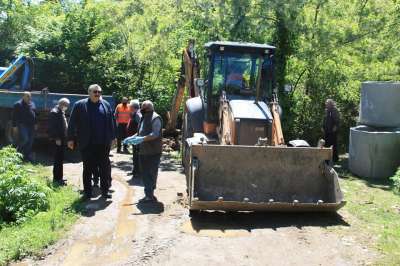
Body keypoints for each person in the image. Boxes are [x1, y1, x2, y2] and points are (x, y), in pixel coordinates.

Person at [67, 84, 116, 199]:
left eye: (99, 92)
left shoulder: (106, 104)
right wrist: (70, 138)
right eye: (95, 92)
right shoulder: (80, 105)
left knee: (104, 168)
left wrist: (113, 137)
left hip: (103, 143)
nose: (98, 94)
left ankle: (105, 191)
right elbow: (72, 122)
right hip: (87, 143)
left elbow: (111, 122)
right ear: (89, 92)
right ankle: (88, 193)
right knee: (88, 168)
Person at [124, 100, 162, 202]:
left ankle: (149, 194)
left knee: (151, 172)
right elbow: (139, 132)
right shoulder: (144, 117)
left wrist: (142, 139)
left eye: (144, 108)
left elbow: (155, 134)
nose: (142, 110)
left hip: (153, 151)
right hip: (143, 150)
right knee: (144, 172)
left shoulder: (155, 118)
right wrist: (131, 138)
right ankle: (149, 194)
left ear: (149, 108)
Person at [48, 98, 70, 185]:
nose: (67, 107)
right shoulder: (55, 112)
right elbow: (53, 127)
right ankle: (57, 179)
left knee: (60, 159)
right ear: (62, 104)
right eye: (66, 106)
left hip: (62, 138)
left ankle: (59, 177)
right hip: (58, 139)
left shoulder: (60, 111)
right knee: (58, 160)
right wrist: (57, 138)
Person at [12, 91, 36, 161]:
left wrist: (35, 123)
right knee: (25, 139)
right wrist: (14, 126)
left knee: (30, 141)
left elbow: (35, 114)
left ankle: (26, 156)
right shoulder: (18, 104)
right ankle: (17, 152)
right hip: (22, 124)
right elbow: (14, 116)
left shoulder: (32, 103)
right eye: (27, 96)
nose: (29, 98)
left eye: (29, 96)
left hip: (31, 125)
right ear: (23, 96)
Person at [126, 99, 142, 177]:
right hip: (133, 139)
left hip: (137, 139)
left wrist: (136, 137)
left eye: (130, 106)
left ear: (132, 107)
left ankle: (138, 172)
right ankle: (134, 170)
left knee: (137, 155)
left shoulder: (138, 115)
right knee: (135, 155)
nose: (129, 107)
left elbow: (141, 127)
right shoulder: (134, 113)